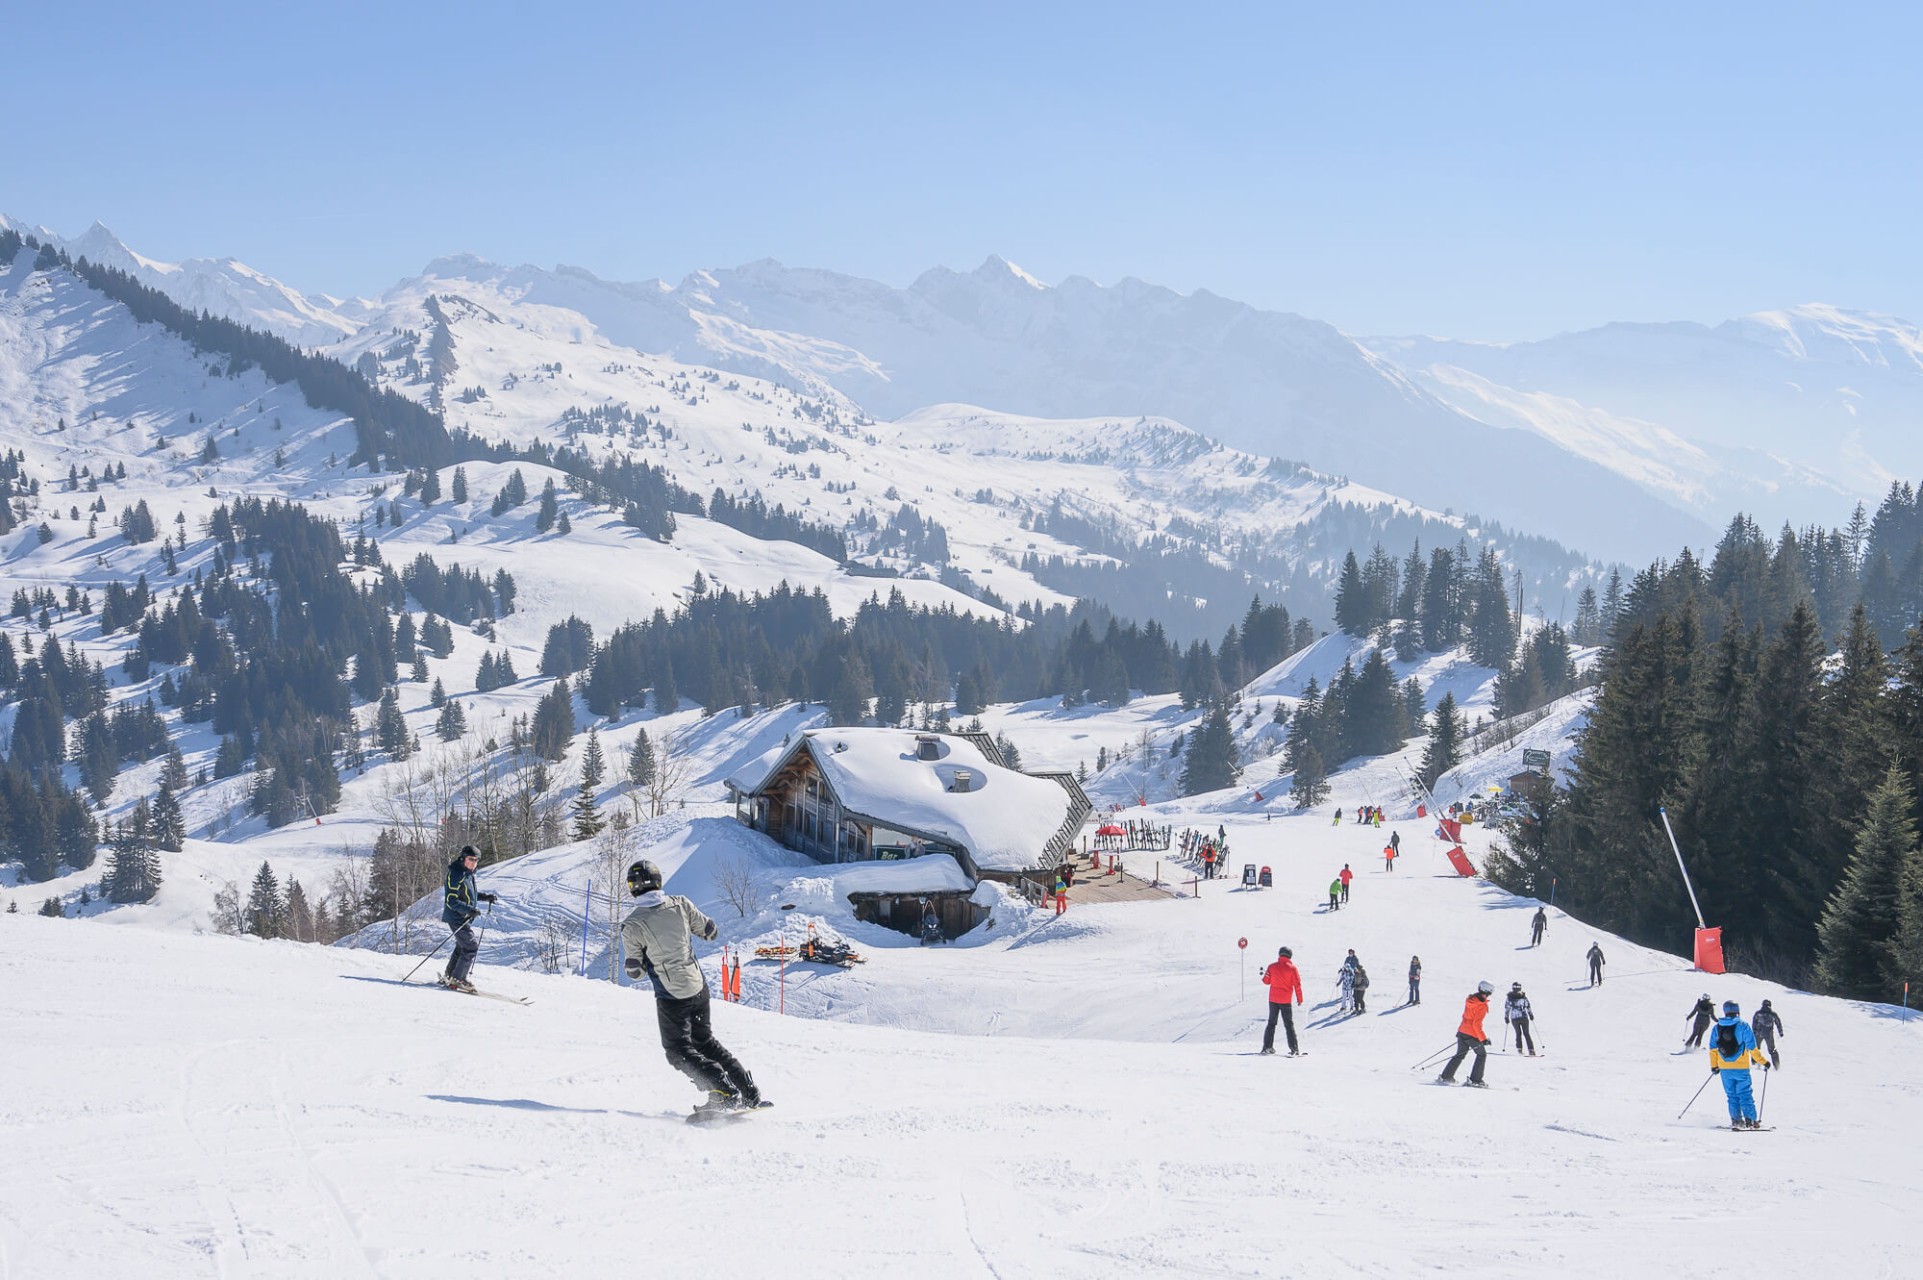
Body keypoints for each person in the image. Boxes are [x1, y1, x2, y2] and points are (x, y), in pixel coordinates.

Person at [621, 858, 762, 1115]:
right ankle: (747, 1090)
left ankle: (722, 1091)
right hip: (698, 987)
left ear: (633, 887)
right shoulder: (681, 903)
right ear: (658, 881)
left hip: (671, 995)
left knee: (677, 1050)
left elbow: (635, 972)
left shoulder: (633, 925)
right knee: (705, 1042)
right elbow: (711, 931)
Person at [440, 844, 496, 993]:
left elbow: (469, 895)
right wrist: (469, 910)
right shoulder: (456, 874)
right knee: (471, 946)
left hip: (462, 916)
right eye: (471, 859)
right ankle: (458, 980)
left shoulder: (467, 874)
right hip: (455, 915)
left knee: (462, 946)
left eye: (476, 860)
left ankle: (451, 975)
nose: (474, 862)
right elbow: (451, 901)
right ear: (463, 858)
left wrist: (485, 897)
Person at [1709, 1000, 1770, 1129]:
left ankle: (1736, 1120)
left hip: (1725, 1068)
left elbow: (1713, 1049)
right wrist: (1763, 1062)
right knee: (1745, 1093)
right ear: (1737, 1011)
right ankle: (1751, 1120)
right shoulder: (1743, 1026)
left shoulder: (1717, 1027)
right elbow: (1752, 1048)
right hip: (1741, 1068)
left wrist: (1714, 1066)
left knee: (1731, 1095)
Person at [1438, 981, 1494, 1087]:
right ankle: (1475, 1080)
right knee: (1481, 1055)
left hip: (1462, 1031)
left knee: (1460, 1055)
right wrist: (1483, 1039)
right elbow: (1476, 1024)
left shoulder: (1471, 1000)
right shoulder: (1481, 1005)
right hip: (1472, 1034)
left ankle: (1446, 1076)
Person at [1260, 945, 1304, 1055]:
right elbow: (1297, 984)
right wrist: (1299, 998)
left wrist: (1267, 975)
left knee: (1271, 1023)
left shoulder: (1272, 967)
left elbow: (1266, 981)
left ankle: (1267, 1047)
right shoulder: (1292, 968)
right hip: (1286, 1000)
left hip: (1273, 999)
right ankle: (1294, 1048)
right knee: (1289, 1024)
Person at [1504, 982, 1537, 1055]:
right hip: (1523, 1017)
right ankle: (1531, 1050)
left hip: (1514, 1018)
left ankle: (1519, 1049)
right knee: (1526, 1033)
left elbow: (1507, 1008)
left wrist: (1506, 1017)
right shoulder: (1523, 997)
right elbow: (1528, 1006)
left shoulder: (1509, 997)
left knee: (1518, 1033)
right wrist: (1530, 1014)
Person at [1752, 1000, 1785, 1069]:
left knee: (1755, 1049)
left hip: (1758, 1033)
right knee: (1772, 1050)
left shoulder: (1758, 1013)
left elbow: (1754, 1023)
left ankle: (1754, 1063)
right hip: (1769, 1034)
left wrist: (1754, 1031)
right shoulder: (1773, 1014)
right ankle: (1777, 1066)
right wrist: (1780, 1032)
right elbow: (1778, 1023)